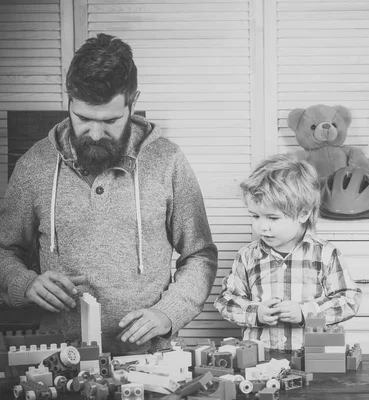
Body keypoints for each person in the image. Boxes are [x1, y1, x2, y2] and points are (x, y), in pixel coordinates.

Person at [0, 33, 218, 355]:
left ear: (133, 100)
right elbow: (4, 250)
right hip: (60, 356)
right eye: (83, 118)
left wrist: (168, 313)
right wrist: (25, 283)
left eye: (111, 120)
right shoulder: (35, 164)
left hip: (149, 359)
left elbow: (200, 254)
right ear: (69, 100)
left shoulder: (168, 161)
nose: (96, 133)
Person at [214, 154, 362, 351]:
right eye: (255, 216)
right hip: (261, 361)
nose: (262, 227)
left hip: (315, 359)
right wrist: (255, 312)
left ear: (303, 214)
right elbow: (226, 300)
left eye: (273, 218)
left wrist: (306, 313)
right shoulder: (247, 256)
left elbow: (349, 299)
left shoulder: (326, 254)